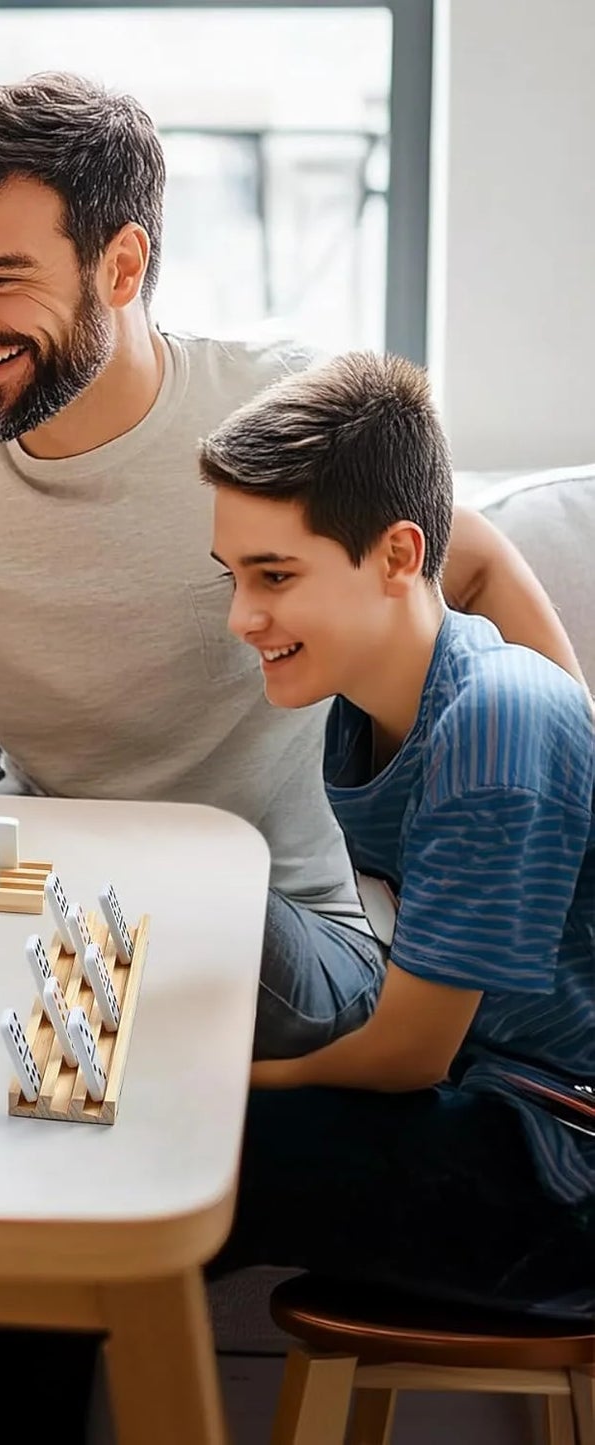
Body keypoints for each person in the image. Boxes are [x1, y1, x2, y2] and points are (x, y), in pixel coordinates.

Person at [0, 72, 587, 1436]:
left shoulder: (273, 422)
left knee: (167, 902)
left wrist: (568, 779)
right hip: (56, 893)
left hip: (290, 927)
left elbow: (463, 557)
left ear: (123, 262)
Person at [204, 351, 595, 1315]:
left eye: (275, 575)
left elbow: (409, 1053)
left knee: (183, 1142)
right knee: (142, 1141)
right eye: (233, 576)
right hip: (490, 1101)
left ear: (397, 554)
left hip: (564, 1162)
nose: (240, 617)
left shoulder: (494, 720)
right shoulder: (370, 708)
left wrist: (218, 1073)